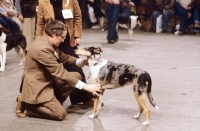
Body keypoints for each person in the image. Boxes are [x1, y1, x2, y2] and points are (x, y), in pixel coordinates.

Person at [15, 20, 102, 120]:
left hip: (47, 80)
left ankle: (52, 102)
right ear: (53, 34)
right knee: (60, 114)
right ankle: (30, 107)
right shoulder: (42, 48)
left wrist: (83, 62)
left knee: (76, 75)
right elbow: (59, 72)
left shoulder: (49, 42)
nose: (64, 40)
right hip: (37, 86)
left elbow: (65, 57)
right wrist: (86, 86)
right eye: (63, 37)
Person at [36, 0, 94, 105]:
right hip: (51, 40)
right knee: (48, 70)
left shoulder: (72, 0)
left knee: (75, 68)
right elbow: (40, 24)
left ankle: (83, 97)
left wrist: (77, 35)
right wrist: (39, 41)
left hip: (67, 40)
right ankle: (45, 97)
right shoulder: (42, 2)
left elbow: (77, 17)